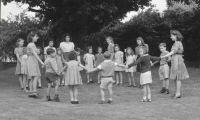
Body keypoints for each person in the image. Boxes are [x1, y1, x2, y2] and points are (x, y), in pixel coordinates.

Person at [161, 30, 189, 99]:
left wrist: (165, 56)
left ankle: (178, 93)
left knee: (177, 77)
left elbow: (173, 52)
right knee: (175, 78)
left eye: (171, 36)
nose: (171, 37)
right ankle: (177, 92)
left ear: (176, 36)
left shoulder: (177, 43)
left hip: (177, 61)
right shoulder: (176, 43)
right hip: (175, 60)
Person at [26, 31, 44, 98]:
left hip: (32, 60)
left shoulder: (31, 44)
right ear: (32, 37)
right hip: (32, 61)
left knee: (32, 77)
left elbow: (36, 52)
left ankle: (31, 92)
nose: (37, 38)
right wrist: (41, 62)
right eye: (36, 36)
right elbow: (35, 54)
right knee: (35, 76)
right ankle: (34, 92)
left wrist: (38, 51)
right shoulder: (31, 44)